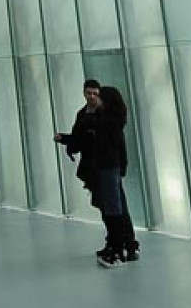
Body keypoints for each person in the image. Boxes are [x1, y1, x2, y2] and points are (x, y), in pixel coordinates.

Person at [58, 84, 139, 267]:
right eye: (90, 93)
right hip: (100, 168)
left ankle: (121, 249)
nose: (94, 97)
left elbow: (106, 140)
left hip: (107, 167)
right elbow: (82, 138)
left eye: (97, 95)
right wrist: (67, 139)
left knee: (114, 208)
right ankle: (118, 245)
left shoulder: (106, 120)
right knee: (111, 207)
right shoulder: (93, 117)